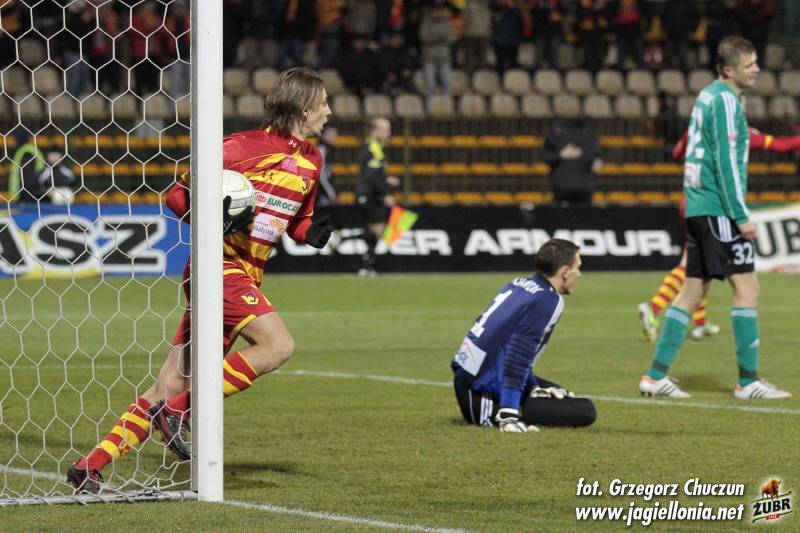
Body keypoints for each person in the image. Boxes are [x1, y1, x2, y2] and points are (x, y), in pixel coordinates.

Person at [67, 67, 335, 493]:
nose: (329, 112)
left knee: (170, 382)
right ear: (304, 108)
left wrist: (309, 233)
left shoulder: (312, 160)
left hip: (247, 276)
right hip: (218, 267)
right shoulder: (240, 147)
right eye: (323, 104)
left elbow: (299, 218)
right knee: (277, 346)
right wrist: (213, 220)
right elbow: (176, 195)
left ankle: (90, 465)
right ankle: (180, 411)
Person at [639, 36, 790, 400]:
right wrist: (740, 214)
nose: (756, 69)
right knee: (747, 287)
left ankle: (655, 377)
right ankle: (748, 381)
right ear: (728, 69)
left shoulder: (707, 96)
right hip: (717, 208)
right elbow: (725, 162)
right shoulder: (724, 101)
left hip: (698, 205)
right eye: (749, 65)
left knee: (693, 290)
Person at [638, 106, 800, 343]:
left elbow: (677, 153)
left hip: (690, 199)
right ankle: (653, 309)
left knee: (703, 261)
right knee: (694, 263)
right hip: (712, 204)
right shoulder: (741, 133)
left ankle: (700, 324)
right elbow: (780, 146)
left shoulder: (696, 128)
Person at [451, 238, 596, 432]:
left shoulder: (520, 284)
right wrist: (508, 412)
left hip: (470, 376)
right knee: (585, 410)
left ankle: (522, 396)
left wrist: (533, 387)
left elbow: (504, 345)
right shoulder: (549, 299)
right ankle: (508, 410)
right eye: (577, 268)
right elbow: (518, 355)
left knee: (562, 394)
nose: (579, 274)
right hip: (480, 395)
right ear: (565, 271)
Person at [355, 117, 400, 277]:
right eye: (385, 129)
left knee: (376, 231)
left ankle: (367, 266)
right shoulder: (372, 147)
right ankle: (347, 239)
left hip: (370, 195)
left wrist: (386, 179)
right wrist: (386, 194)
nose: (388, 133)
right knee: (378, 230)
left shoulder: (376, 147)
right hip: (368, 195)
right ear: (375, 131)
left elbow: (373, 173)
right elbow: (371, 176)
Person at [544, 119, 603, 206]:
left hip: (564, 186)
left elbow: (547, 158)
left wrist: (561, 155)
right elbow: (597, 162)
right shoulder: (590, 139)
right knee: (584, 212)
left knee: (561, 212)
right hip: (583, 186)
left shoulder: (556, 138)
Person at [419, 0, 457, 101]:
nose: (436, 14)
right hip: (429, 58)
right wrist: (438, 35)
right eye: (434, 11)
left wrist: (445, 36)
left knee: (446, 85)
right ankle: (428, 105)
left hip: (444, 58)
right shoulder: (426, 23)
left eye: (438, 11)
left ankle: (448, 105)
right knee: (430, 85)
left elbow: (452, 38)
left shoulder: (446, 22)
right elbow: (424, 37)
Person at [315, 124, 339, 206]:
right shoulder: (322, 149)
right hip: (319, 194)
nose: (335, 137)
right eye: (332, 134)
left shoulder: (328, 149)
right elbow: (321, 174)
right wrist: (331, 194)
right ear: (325, 135)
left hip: (323, 192)